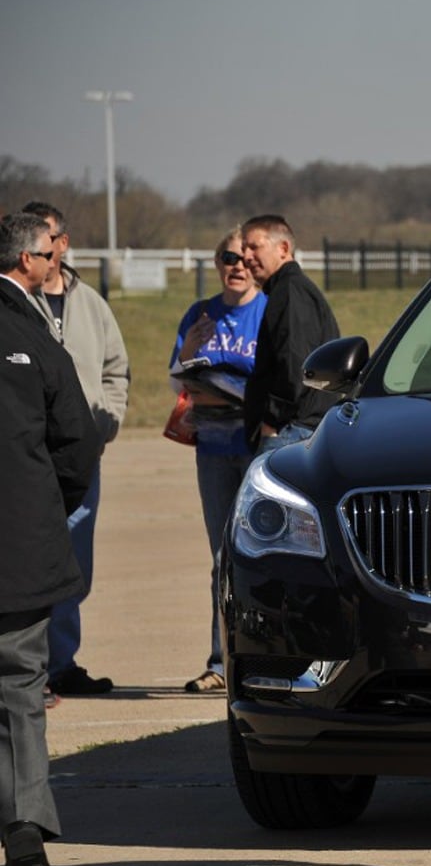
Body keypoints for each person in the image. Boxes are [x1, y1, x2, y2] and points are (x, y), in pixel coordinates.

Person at [0, 211, 101, 866]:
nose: (54, 267)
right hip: (19, 544)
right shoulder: (33, 334)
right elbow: (77, 440)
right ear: (28, 262)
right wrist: (46, 508)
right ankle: (25, 834)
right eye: (49, 257)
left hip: (22, 538)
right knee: (19, 691)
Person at [19, 202, 130, 698]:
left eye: (47, 242)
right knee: (28, 561)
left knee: (73, 563)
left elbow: (115, 368)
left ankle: (62, 662)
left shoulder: (92, 304)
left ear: (62, 244)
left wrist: (106, 422)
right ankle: (30, 669)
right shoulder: (16, 304)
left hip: (81, 455)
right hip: (29, 458)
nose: (40, 255)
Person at [168, 229, 265, 692]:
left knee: (262, 556)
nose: (238, 265)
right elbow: (176, 378)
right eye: (229, 257)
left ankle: (263, 658)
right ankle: (221, 663)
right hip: (213, 447)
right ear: (216, 262)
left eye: (246, 257)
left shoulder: (269, 312)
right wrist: (191, 348)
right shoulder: (200, 313)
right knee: (222, 557)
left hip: (256, 445)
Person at [238, 214, 340, 454]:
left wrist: (271, 422)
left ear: (283, 248)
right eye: (244, 249)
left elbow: (295, 365)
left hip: (291, 431)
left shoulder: (291, 292)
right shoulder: (286, 290)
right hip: (294, 428)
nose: (246, 256)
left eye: (254, 247)